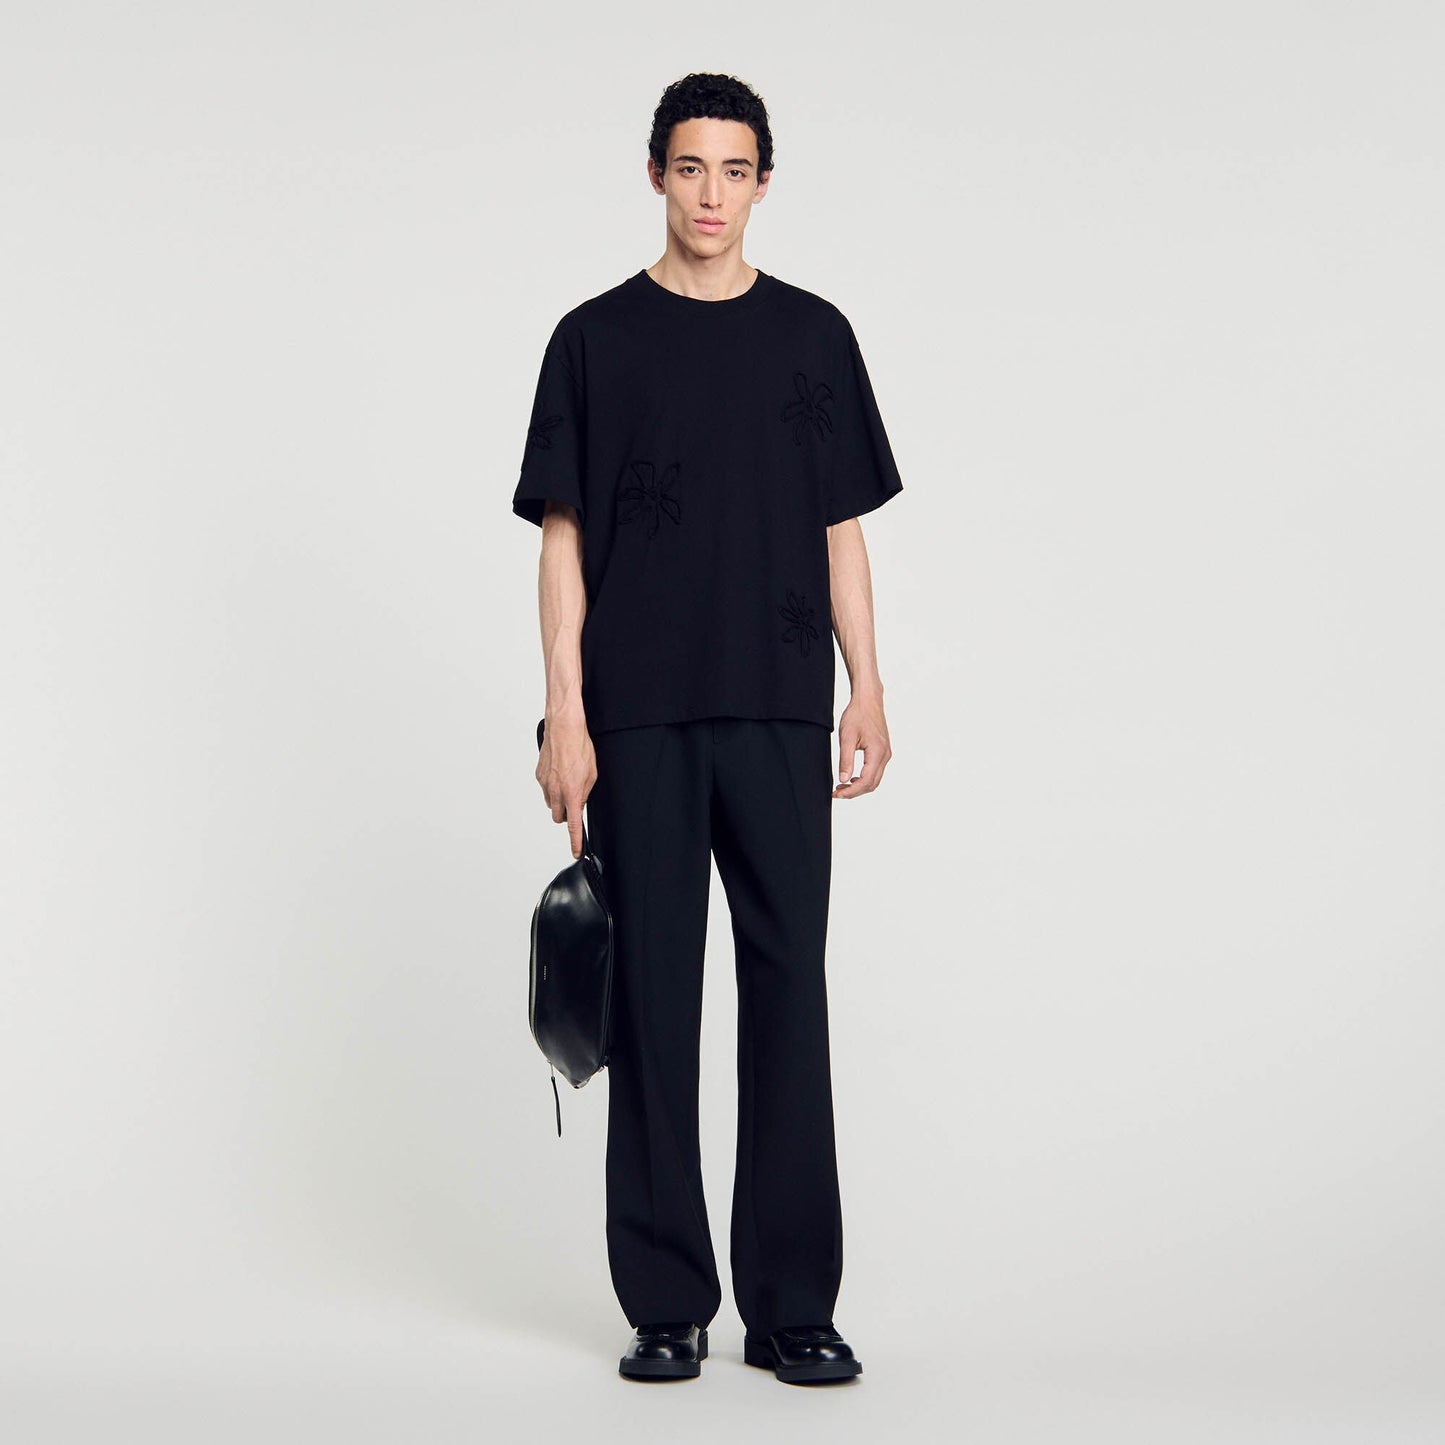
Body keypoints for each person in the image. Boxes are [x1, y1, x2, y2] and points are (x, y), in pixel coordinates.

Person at [511, 71, 904, 1385]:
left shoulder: (813, 337)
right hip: (637, 710)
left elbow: (840, 527)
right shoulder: (592, 340)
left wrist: (868, 684)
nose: (712, 195)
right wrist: (565, 713)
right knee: (655, 1000)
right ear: (655, 176)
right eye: (690, 168)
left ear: (763, 184)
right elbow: (561, 540)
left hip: (782, 701)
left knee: (789, 993)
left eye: (735, 171)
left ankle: (793, 1305)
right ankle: (667, 1302)